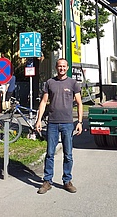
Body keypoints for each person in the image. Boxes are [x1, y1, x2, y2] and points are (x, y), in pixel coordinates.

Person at [35, 58, 83, 195]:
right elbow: (44, 102)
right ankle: (47, 181)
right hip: (52, 123)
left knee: (68, 154)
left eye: (64, 66)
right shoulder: (50, 83)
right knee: (50, 153)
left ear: (67, 68)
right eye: (59, 66)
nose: (61, 68)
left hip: (68, 123)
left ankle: (67, 181)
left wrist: (79, 122)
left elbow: (79, 103)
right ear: (56, 67)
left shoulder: (73, 83)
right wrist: (38, 120)